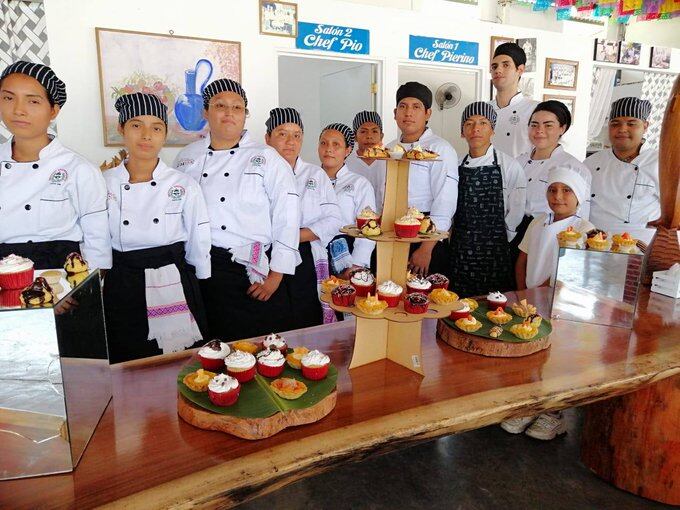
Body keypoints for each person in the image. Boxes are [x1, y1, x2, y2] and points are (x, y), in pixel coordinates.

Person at [173, 79, 300, 340]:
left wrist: (276, 276)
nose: (229, 113)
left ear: (245, 114)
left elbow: (287, 217)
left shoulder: (267, 158)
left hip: (249, 271)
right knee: (210, 350)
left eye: (237, 107)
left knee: (256, 350)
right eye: (220, 106)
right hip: (201, 267)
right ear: (205, 112)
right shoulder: (186, 157)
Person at [103, 93, 210, 363]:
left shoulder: (183, 184)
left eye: (156, 128)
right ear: (121, 129)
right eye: (137, 125)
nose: (146, 135)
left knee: (179, 361)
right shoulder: (103, 182)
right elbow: (94, 237)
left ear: (164, 134)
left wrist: (201, 283)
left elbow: (199, 237)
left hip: (173, 276)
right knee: (128, 358)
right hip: (123, 280)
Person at [0, 61, 111, 270]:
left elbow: (98, 242)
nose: (18, 110)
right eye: (8, 98)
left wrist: (77, 290)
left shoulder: (79, 169)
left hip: (62, 274)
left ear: (53, 111)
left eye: (33, 101)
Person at [264, 107, 342, 326]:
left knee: (305, 316)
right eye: (282, 134)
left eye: (296, 135)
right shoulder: (255, 174)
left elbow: (333, 220)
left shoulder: (315, 175)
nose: (290, 141)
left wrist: (291, 237)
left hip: (304, 255)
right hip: (265, 257)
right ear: (267, 137)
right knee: (270, 319)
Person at [449, 101, 526, 297]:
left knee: (492, 305)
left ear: (493, 130)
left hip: (495, 249)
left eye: (483, 123)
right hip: (461, 248)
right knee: (460, 303)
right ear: (462, 131)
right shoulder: (455, 165)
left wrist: (502, 238)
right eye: (469, 123)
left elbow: (516, 208)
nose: (476, 129)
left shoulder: (509, 165)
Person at [389, 81, 459, 276]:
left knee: (422, 299)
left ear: (428, 113)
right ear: (395, 113)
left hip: (425, 235)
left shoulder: (440, 149)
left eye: (416, 107)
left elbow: (445, 202)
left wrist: (426, 249)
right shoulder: (389, 149)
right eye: (403, 107)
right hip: (391, 232)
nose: (408, 113)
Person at [584, 97, 660, 245]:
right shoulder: (591, 163)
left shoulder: (660, 164)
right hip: (595, 243)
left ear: (645, 126)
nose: (622, 129)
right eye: (615, 123)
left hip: (640, 247)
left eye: (631, 123)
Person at [515, 168, 594, 290]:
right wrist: (522, 293)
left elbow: (570, 273)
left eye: (566, 190)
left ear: (578, 195)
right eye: (552, 190)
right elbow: (521, 262)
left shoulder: (585, 229)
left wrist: (537, 293)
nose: (557, 196)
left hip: (559, 297)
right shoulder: (537, 222)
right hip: (528, 295)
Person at [516, 101, 591, 220]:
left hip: (550, 231)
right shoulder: (518, 162)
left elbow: (580, 215)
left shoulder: (572, 167)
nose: (539, 130)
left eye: (548, 125)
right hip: (512, 231)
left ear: (562, 128)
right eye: (534, 125)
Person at [320, 123, 376, 279]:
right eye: (323, 143)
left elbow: (368, 228)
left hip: (347, 256)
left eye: (336, 144)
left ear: (348, 150)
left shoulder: (360, 184)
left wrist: (355, 266)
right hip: (313, 252)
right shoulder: (309, 179)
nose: (328, 149)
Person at [489, 43, 539, 158]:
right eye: (494, 66)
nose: (498, 70)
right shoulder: (483, 110)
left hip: (522, 175)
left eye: (505, 65)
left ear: (520, 70)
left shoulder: (535, 110)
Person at [345, 111, 386, 212]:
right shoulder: (346, 162)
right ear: (355, 136)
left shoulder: (389, 161)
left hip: (385, 219)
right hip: (353, 222)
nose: (369, 136)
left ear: (381, 136)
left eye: (374, 131)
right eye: (363, 131)